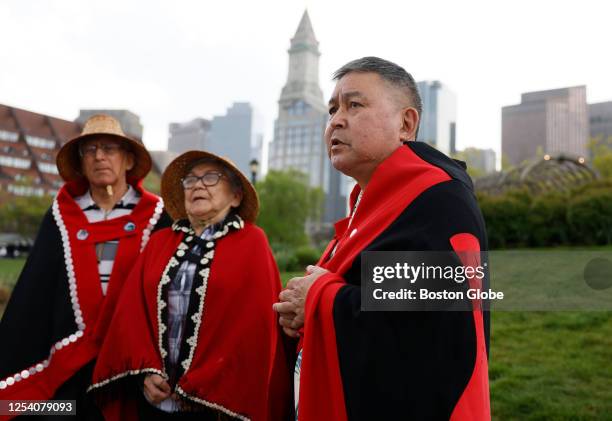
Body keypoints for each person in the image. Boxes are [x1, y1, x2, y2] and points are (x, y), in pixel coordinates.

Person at [273, 57, 491, 420]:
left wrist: (318, 297)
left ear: (406, 123)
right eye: (332, 110)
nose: (336, 120)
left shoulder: (437, 199)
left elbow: (429, 331)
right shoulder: (366, 204)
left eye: (354, 105)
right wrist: (303, 311)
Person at [89, 150, 292, 420]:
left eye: (210, 178)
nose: (197, 184)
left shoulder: (252, 242)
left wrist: (203, 382)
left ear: (235, 196)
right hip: (155, 402)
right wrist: (144, 373)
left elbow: (254, 330)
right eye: (190, 180)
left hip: (216, 408)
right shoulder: (160, 242)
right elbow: (132, 314)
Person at [0, 114, 172, 417]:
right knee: (54, 411)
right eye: (89, 150)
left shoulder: (157, 216)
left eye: (109, 148)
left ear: (129, 160)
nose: (99, 156)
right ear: (80, 164)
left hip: (133, 360)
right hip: (70, 359)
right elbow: (35, 291)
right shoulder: (62, 215)